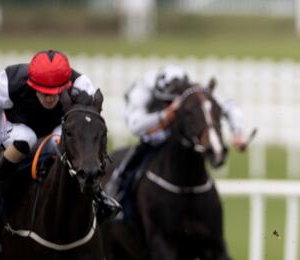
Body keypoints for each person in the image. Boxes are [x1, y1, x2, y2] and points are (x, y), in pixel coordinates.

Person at [0, 49, 121, 239]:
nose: (50, 98)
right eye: (43, 93)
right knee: (27, 139)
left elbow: (88, 122)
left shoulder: (82, 85)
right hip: (19, 126)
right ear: (32, 84)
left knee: (62, 144)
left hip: (56, 127)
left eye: (55, 93)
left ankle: (98, 194)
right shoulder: (10, 81)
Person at [105, 65, 248, 203]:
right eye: (166, 101)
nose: (171, 104)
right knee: (148, 145)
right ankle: (117, 182)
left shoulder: (187, 89)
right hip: (150, 125)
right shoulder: (141, 90)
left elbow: (228, 105)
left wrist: (237, 132)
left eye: (173, 101)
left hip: (176, 130)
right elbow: (135, 126)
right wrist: (165, 115)